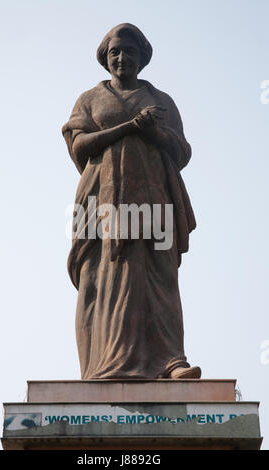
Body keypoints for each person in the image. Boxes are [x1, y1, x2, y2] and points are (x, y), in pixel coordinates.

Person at [62, 23, 201, 379]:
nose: (123, 58)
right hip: (101, 201)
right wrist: (129, 128)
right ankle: (104, 363)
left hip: (155, 197)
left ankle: (171, 361)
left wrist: (152, 130)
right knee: (103, 277)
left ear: (142, 58)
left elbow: (182, 152)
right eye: (116, 52)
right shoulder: (90, 99)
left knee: (160, 275)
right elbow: (79, 147)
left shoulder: (161, 100)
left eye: (130, 52)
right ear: (106, 58)